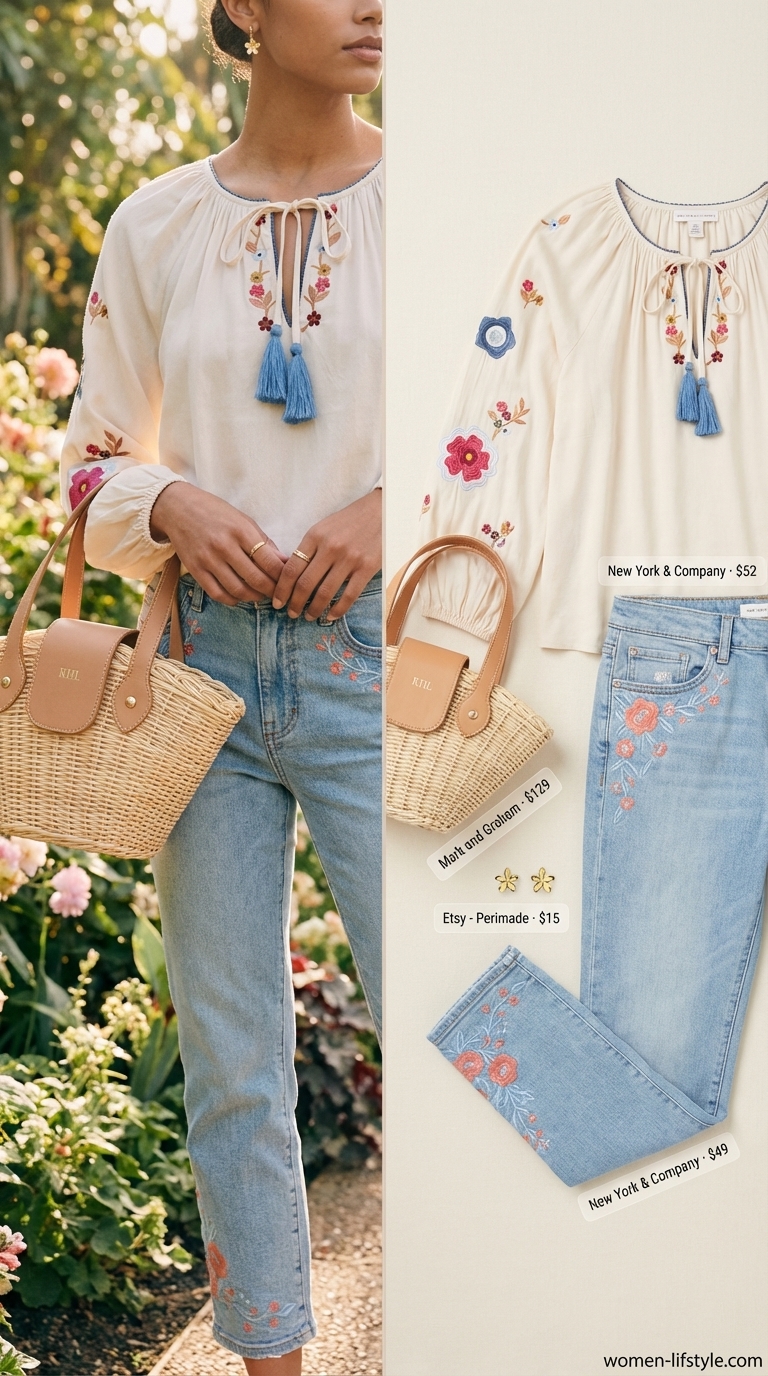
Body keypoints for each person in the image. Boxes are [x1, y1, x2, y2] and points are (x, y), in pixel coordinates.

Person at [60, 2, 383, 1370]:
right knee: (234, 1068)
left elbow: (527, 431)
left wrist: (399, 508)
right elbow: (85, 471)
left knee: (467, 1013)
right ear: (241, 7)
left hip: (390, 665)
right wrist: (171, 499)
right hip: (197, 682)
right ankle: (272, 1360)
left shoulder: (452, 206)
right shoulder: (154, 226)